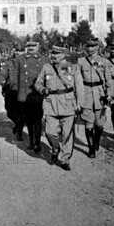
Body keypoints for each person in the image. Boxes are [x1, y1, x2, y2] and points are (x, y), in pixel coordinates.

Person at [34, 43, 84, 171]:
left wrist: (80, 104)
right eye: (52, 53)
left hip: (68, 105)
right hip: (51, 104)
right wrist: (42, 89)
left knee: (67, 134)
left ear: (64, 54)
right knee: (50, 133)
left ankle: (65, 159)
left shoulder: (73, 68)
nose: (53, 56)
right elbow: (38, 82)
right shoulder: (46, 67)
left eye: (57, 53)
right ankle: (55, 148)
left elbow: (79, 87)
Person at [13, 41, 50, 152]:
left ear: (38, 46)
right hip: (25, 94)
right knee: (29, 120)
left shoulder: (44, 59)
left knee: (37, 119)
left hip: (38, 93)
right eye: (29, 46)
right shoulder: (20, 59)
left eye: (33, 46)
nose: (31, 48)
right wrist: (15, 91)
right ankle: (31, 141)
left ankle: (37, 143)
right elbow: (15, 76)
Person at [76, 38, 110, 158]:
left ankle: (96, 141)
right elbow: (78, 81)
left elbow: (108, 79)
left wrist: (109, 95)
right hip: (86, 94)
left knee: (99, 124)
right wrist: (78, 97)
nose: (90, 49)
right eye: (88, 46)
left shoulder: (104, 61)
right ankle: (91, 149)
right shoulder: (81, 61)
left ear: (97, 47)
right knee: (88, 123)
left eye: (92, 46)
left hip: (99, 94)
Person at [0, 43, 25, 140]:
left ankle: (19, 133)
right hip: (11, 90)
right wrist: (3, 82)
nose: (18, 53)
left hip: (22, 91)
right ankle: (18, 124)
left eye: (20, 51)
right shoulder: (9, 63)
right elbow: (3, 74)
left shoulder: (28, 62)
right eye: (16, 51)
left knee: (21, 112)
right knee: (9, 112)